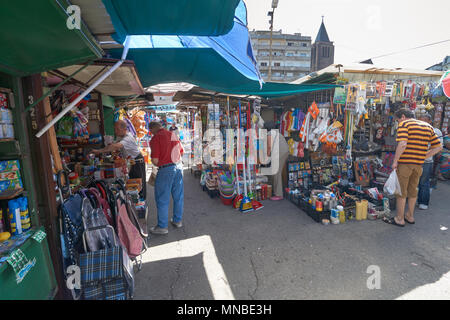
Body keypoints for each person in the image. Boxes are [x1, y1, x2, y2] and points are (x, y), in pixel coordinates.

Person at [384, 109, 442, 227]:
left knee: (401, 192)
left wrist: (395, 161)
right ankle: (410, 216)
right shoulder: (427, 126)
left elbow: (403, 143)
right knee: (413, 191)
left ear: (403, 116)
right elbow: (438, 147)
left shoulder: (404, 124)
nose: (398, 122)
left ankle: (400, 219)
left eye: (398, 119)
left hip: (405, 163)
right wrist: (424, 156)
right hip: (419, 165)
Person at [92, 120, 147, 200]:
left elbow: (116, 146)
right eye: (115, 129)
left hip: (137, 162)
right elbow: (115, 146)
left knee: (137, 184)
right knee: (133, 184)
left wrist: (98, 151)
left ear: (124, 129)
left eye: (117, 129)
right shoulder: (121, 137)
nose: (115, 131)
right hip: (131, 161)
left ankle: (140, 203)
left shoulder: (128, 138)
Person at [148, 121, 184, 235]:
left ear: (152, 129)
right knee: (178, 196)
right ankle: (177, 221)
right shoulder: (172, 134)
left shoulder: (155, 139)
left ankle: (162, 227)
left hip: (165, 170)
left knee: (162, 199)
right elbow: (181, 152)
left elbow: (155, 161)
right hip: (178, 167)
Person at [417, 113, 443, 210]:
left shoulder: (436, 131)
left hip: (427, 161)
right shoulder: (416, 130)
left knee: (424, 182)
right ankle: (417, 199)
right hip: (415, 160)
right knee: (416, 182)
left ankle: (423, 202)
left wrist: (425, 155)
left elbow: (438, 147)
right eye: (420, 120)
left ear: (429, 121)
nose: (421, 123)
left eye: (424, 120)